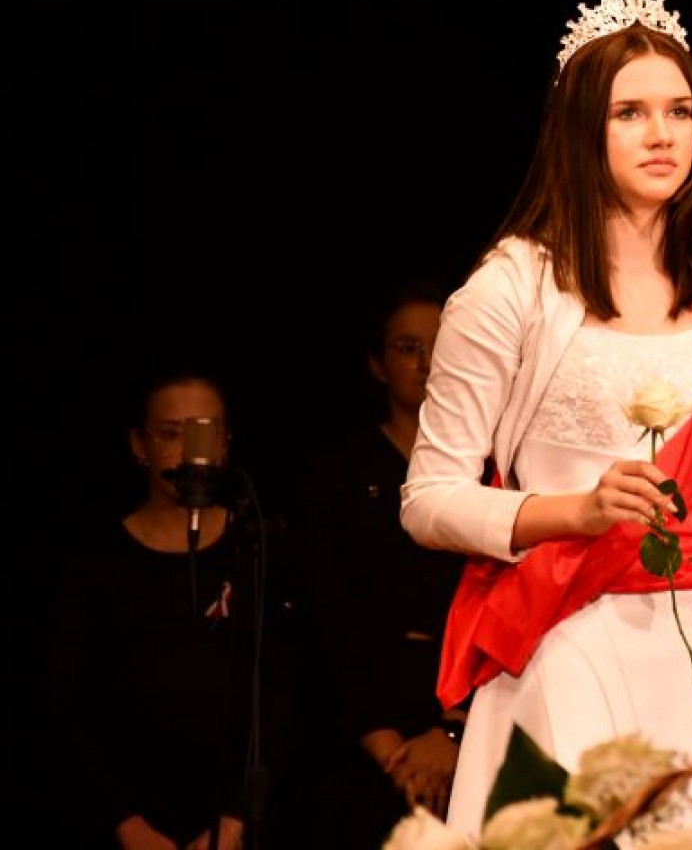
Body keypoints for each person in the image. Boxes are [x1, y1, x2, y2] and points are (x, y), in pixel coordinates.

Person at [399, 0, 692, 838]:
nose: (662, 134)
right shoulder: (511, 289)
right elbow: (427, 502)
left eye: (679, 111)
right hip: (567, 637)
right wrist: (576, 512)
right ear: (581, 128)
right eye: (630, 113)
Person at [44, 365, 298, 850]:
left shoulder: (256, 547)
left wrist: (237, 817)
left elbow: (281, 692)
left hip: (232, 823)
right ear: (139, 445)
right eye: (170, 433)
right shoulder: (96, 561)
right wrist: (124, 822)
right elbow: (68, 703)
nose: (189, 452)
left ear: (225, 443)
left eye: (204, 433)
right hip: (128, 821)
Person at [296, 279, 468, 845]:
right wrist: (388, 746)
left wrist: (451, 732)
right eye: (408, 348)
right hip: (364, 721)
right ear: (377, 364)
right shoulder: (338, 473)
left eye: (440, 346)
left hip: (464, 710)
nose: (427, 363)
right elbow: (324, 614)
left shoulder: (489, 468)